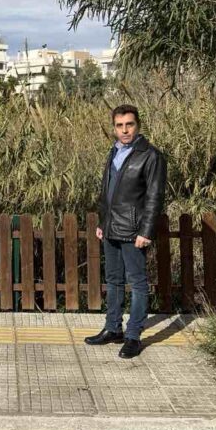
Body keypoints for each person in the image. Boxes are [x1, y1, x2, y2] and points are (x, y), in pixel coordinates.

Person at [86, 104, 167, 359]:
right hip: (111, 228)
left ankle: (133, 336)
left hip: (134, 230)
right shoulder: (114, 152)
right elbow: (107, 191)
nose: (124, 130)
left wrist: (146, 231)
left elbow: (155, 197)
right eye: (119, 125)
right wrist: (103, 223)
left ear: (137, 125)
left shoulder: (150, 156)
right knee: (113, 280)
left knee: (138, 284)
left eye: (129, 124)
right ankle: (113, 329)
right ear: (114, 128)